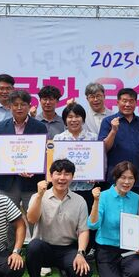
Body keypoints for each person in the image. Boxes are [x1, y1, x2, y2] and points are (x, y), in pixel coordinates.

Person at [0, 90, 48, 248]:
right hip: (8, 182)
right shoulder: (1, 126)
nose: (19, 108)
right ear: (10, 106)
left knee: (34, 217)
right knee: (8, 219)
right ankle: (9, 252)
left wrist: (34, 167)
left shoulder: (39, 127)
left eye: (23, 104)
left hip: (31, 181)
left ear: (29, 106)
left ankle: (36, 251)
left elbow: (42, 153)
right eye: (15, 105)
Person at [24, 159, 92, 277]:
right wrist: (40, 195)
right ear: (50, 176)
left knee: (84, 274)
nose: (62, 178)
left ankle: (66, 272)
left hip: (68, 248)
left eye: (67, 174)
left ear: (72, 177)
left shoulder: (79, 201)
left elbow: (83, 230)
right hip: (45, 248)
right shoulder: (38, 196)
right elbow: (31, 219)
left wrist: (80, 253)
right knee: (33, 246)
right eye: (58, 173)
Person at [88, 161, 139, 277]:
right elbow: (92, 225)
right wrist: (96, 201)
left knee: (137, 272)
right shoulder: (103, 196)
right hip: (106, 250)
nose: (126, 182)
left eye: (131, 178)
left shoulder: (137, 198)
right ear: (116, 177)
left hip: (128, 250)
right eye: (123, 177)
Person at [53, 103, 99, 247]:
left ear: (83, 119)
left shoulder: (93, 138)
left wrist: (96, 173)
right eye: (70, 117)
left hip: (87, 187)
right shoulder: (58, 139)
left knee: (87, 219)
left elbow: (98, 160)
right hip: (66, 188)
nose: (74, 120)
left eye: (77, 116)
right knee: (67, 220)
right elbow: (54, 164)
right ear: (65, 120)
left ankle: (87, 249)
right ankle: (68, 249)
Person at [98, 88, 139, 194]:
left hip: (138, 179)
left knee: (137, 204)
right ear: (118, 102)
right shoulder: (108, 121)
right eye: (124, 101)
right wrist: (113, 131)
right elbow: (103, 148)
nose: (127, 104)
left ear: (136, 103)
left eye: (131, 101)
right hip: (114, 179)